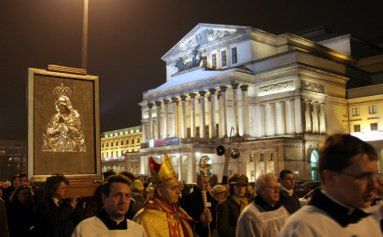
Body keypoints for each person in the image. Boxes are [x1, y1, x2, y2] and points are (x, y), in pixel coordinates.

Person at [280, 134, 381, 237]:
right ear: (330, 178)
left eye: (374, 175)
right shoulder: (302, 228)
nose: (374, 185)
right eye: (363, 176)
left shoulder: (369, 220)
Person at [134, 154, 206, 236]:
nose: (178, 192)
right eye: (173, 188)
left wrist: (204, 224)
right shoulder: (144, 219)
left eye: (178, 187)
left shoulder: (179, 211)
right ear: (160, 191)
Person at [72, 175, 147, 237]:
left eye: (127, 196)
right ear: (104, 198)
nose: (123, 201)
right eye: (118, 195)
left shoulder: (138, 231)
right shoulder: (85, 229)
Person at [43, 83, 86, 152]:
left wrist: (65, 125)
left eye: (62, 106)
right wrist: (53, 130)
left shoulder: (74, 115)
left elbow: (78, 131)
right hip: (56, 140)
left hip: (71, 140)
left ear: (67, 105)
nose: (60, 108)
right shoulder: (55, 117)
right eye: (59, 106)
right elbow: (49, 128)